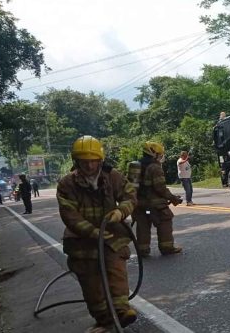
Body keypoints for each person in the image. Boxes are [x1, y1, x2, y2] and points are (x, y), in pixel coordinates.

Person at [56, 135, 138, 329]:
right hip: (82, 242)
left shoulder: (112, 176)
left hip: (112, 237)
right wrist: (92, 232)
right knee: (91, 283)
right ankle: (104, 319)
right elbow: (70, 216)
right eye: (85, 162)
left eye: (94, 161)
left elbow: (130, 196)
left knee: (116, 271)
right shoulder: (67, 184)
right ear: (76, 161)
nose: (90, 166)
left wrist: (120, 211)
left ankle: (121, 312)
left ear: (100, 160)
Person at [133, 141, 183, 257]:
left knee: (143, 225)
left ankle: (143, 250)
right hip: (154, 205)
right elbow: (160, 188)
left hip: (140, 205)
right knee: (165, 220)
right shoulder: (155, 168)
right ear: (153, 154)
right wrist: (174, 198)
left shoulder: (137, 165)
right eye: (159, 154)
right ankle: (167, 247)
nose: (161, 156)